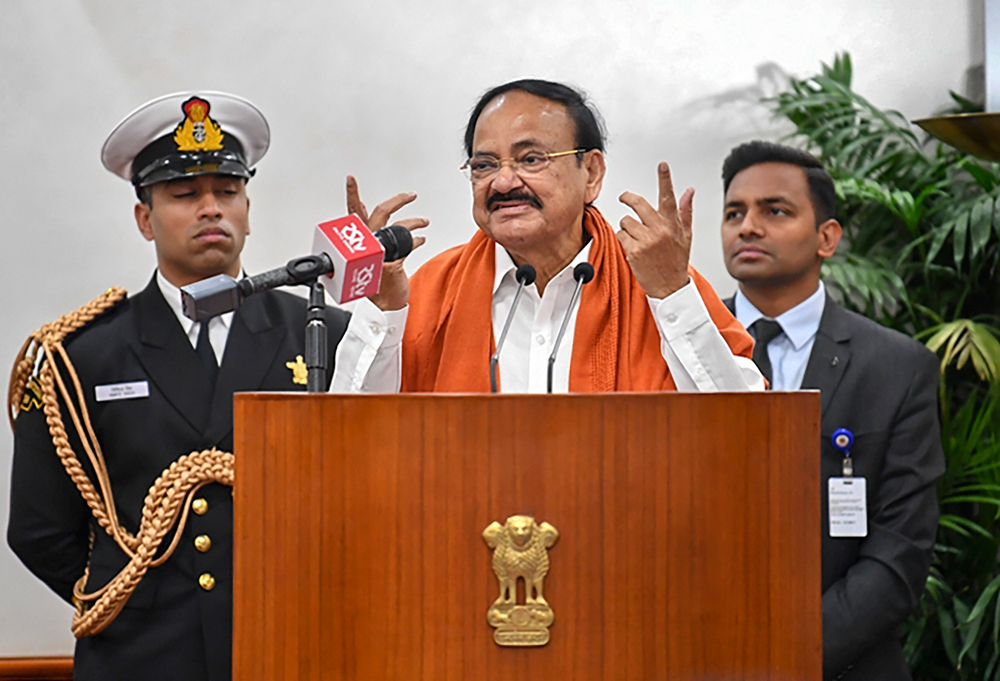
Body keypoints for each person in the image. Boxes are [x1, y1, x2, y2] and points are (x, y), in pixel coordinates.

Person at [7, 91, 349, 681]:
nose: (210, 208)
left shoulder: (325, 335)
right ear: (145, 218)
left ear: (248, 207)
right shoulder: (82, 355)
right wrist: (132, 597)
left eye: (228, 191)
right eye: (185, 195)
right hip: (143, 653)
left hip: (290, 642)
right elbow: (39, 528)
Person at [332, 79, 762, 393]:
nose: (502, 182)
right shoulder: (431, 289)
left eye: (530, 158)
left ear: (591, 173)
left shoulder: (658, 283)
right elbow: (356, 432)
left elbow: (745, 426)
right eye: (483, 165)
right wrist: (384, 309)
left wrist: (671, 294)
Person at [719, 140, 944, 680]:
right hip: (702, 655)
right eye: (734, 213)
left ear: (827, 237)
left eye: (775, 210)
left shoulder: (897, 366)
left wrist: (786, 651)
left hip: (845, 663)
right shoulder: (676, 348)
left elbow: (900, 553)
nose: (748, 227)